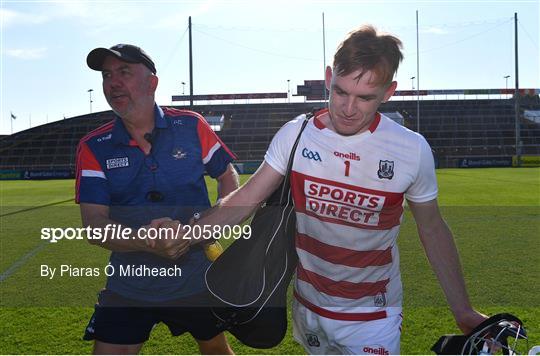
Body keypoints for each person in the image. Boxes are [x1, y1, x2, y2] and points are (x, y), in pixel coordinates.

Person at [174, 25, 487, 354]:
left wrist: (462, 309)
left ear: (389, 91)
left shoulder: (411, 150)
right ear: (328, 76)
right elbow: (245, 200)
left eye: (365, 97)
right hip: (307, 308)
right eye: (340, 91)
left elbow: (432, 227)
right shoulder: (297, 133)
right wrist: (183, 236)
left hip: (373, 315)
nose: (348, 108)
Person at [76, 43, 238, 354]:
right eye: (107, 75)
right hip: (130, 284)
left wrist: (211, 225)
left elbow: (227, 176)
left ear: (152, 82)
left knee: (216, 350)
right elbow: (94, 225)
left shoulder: (191, 125)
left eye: (124, 72)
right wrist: (146, 240)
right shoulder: (94, 146)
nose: (113, 82)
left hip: (195, 279)